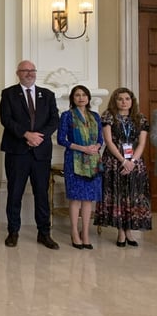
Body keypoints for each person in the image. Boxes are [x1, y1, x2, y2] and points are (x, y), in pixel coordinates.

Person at [0, 60, 60, 249]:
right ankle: (13, 232)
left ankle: (44, 233)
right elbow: (6, 119)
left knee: (41, 194)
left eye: (32, 70)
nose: (29, 73)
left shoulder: (48, 94)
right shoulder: (8, 93)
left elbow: (54, 119)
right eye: (25, 70)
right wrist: (26, 134)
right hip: (17, 151)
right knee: (14, 193)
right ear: (17, 73)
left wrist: (39, 137)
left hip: (40, 152)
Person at [94, 87, 152, 245]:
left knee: (132, 196)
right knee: (117, 195)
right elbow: (109, 141)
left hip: (135, 162)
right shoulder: (108, 116)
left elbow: (141, 143)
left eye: (127, 99)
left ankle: (129, 231)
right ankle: (120, 232)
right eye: (120, 99)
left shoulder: (140, 118)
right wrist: (123, 161)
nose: (124, 102)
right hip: (114, 161)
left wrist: (132, 162)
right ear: (115, 101)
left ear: (132, 101)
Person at [56, 85, 103, 250]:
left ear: (89, 98)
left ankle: (85, 233)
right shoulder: (67, 116)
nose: (81, 98)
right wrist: (83, 148)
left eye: (84, 95)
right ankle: (74, 232)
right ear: (72, 98)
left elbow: (101, 140)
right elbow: (61, 139)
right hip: (74, 159)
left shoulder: (95, 116)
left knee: (88, 199)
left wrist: (96, 146)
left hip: (93, 161)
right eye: (77, 95)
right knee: (76, 197)